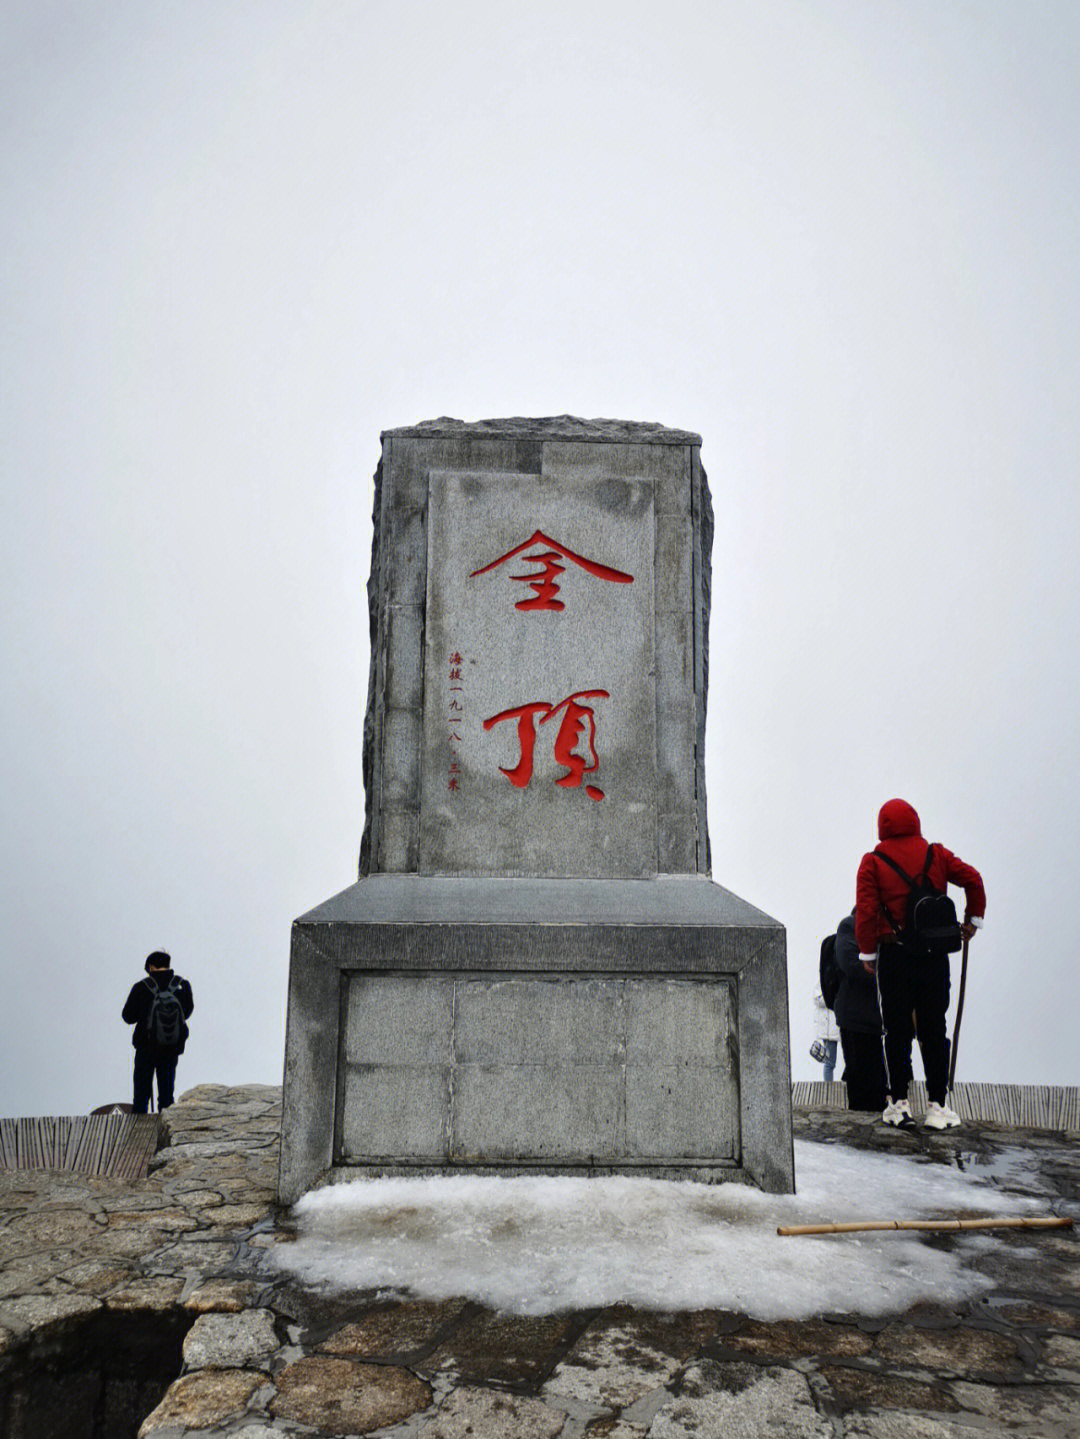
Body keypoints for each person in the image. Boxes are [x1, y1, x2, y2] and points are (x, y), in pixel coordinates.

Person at [856, 799, 984, 1130]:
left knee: (896, 1030)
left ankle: (898, 1104)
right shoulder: (936, 854)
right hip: (934, 957)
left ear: (882, 825)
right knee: (934, 1028)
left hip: (894, 955)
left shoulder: (873, 862)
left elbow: (867, 911)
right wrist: (972, 920)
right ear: (915, 821)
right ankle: (938, 1107)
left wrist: (868, 954)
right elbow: (973, 879)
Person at [122, 951, 194, 1114]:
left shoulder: (141, 986)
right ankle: (166, 1130)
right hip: (170, 1047)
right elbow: (187, 1012)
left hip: (145, 1047)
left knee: (141, 1096)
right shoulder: (182, 984)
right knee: (167, 1095)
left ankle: (139, 1131)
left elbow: (128, 1016)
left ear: (151, 967)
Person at [832, 911, 887, 1113]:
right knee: (861, 1087)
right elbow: (852, 966)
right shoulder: (849, 926)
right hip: (856, 1018)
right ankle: (861, 1135)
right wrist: (889, 970)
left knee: (878, 1086)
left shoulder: (888, 928)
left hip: (876, 1020)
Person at [810, 991, 839, 1081]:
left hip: (840, 1024)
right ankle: (828, 1089)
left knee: (850, 1060)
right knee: (830, 1063)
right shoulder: (820, 982)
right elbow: (817, 999)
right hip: (829, 1028)